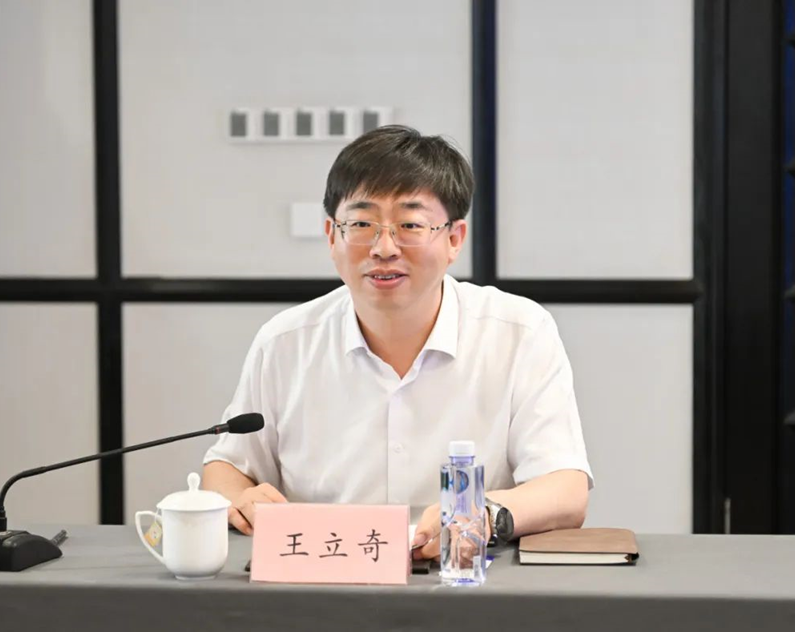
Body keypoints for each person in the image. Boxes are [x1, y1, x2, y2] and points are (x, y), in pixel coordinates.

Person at [202, 125, 593, 561]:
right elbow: (226, 468)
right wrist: (240, 498)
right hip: (323, 576)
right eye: (361, 224)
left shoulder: (519, 333)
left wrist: (481, 514)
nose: (384, 248)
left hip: (465, 577)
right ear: (332, 236)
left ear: (454, 239)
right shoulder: (285, 342)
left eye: (410, 225)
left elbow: (565, 489)